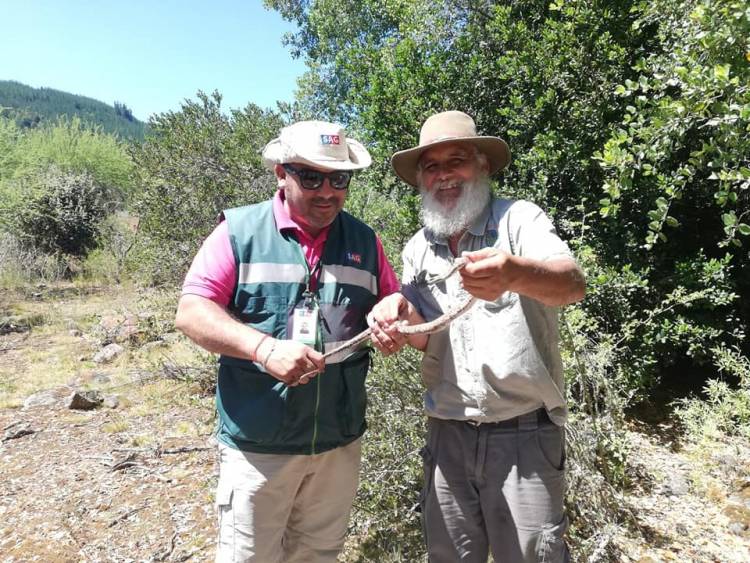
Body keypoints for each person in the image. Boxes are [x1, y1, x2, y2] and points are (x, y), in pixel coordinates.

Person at [175, 120, 400, 563]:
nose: (327, 192)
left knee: (319, 555)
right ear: (281, 173)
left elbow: (393, 302)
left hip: (337, 442)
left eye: (339, 179)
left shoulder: (365, 241)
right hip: (259, 447)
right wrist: (264, 349)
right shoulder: (239, 231)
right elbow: (192, 311)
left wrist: (394, 312)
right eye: (311, 177)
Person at [368, 111, 586, 562]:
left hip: (524, 434)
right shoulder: (418, 247)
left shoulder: (519, 220)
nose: (444, 175)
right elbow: (428, 336)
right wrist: (396, 318)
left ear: (482, 165)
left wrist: (514, 273)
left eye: (457, 160)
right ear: (421, 179)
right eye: (432, 166)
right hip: (447, 435)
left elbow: (572, 285)